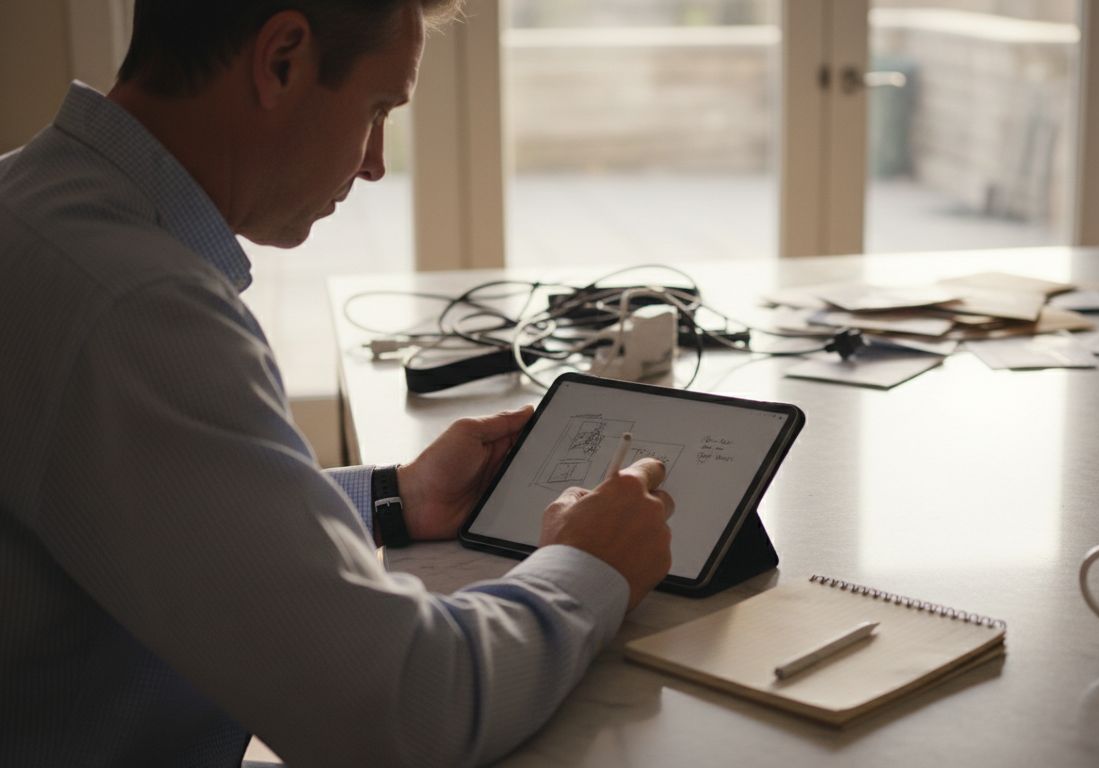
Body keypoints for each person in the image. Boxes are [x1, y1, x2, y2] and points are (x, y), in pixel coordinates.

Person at [0, 1, 674, 765]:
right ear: (282, 59)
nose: (375, 161)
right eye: (378, 108)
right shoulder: (136, 306)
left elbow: (157, 514)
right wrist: (589, 567)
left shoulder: (30, 202)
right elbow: (402, 711)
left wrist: (390, 497)